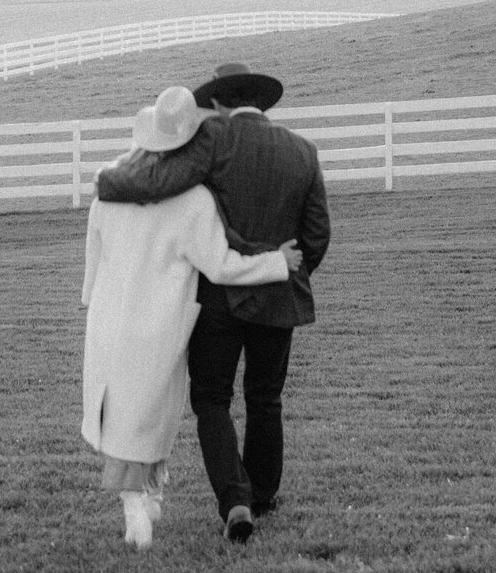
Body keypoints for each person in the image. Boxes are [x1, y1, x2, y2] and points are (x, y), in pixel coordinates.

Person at [96, 61, 330, 544]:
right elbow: (316, 236)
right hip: (277, 296)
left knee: (212, 400)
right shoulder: (304, 152)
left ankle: (234, 498)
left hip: (221, 298)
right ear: (260, 103)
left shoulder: (215, 139)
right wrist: (285, 267)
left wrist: (108, 182)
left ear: (221, 103)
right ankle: (262, 494)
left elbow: (161, 181)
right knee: (266, 398)